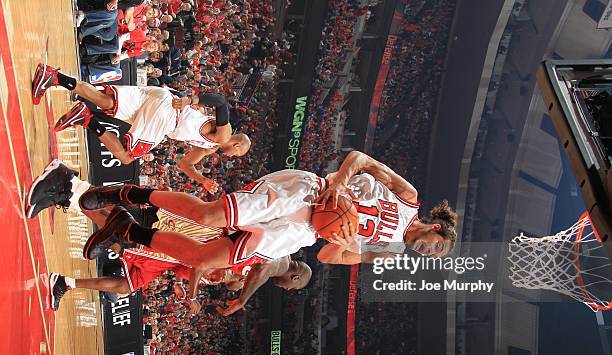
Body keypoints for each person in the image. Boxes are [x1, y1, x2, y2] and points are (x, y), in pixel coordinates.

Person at [79, 151, 457, 270]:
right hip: (312, 193)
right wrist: (340, 183)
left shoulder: (386, 251)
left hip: (305, 232)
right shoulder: (408, 197)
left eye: (434, 255)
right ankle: (129, 192)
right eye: (436, 246)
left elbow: (327, 256)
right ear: (436, 228)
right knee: (210, 216)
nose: (429, 251)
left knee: (206, 258)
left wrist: (340, 239)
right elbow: (359, 158)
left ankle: (127, 232)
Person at [26, 162, 312, 311]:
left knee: (125, 273)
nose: (287, 290)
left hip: (186, 250)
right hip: (191, 234)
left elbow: (216, 266)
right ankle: (68, 185)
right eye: (293, 288)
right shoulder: (279, 257)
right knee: (123, 228)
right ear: (296, 277)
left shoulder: (272, 250)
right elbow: (262, 269)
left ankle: (64, 280)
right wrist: (242, 298)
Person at [31, 65, 250, 191]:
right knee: (126, 157)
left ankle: (53, 76)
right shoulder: (224, 136)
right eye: (237, 153)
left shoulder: (209, 147)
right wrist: (191, 100)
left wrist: (202, 179)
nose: (232, 156)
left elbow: (185, 163)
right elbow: (220, 102)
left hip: (163, 97)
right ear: (237, 144)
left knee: (107, 102)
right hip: (166, 117)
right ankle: (86, 119)